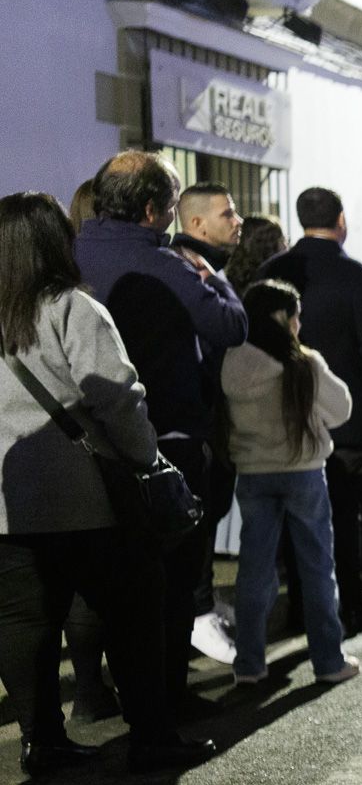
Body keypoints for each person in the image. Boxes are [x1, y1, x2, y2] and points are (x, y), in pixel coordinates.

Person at [0, 191, 213, 774]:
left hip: (6, 502)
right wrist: (148, 461)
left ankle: (42, 739)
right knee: (133, 609)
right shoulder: (72, 307)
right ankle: (151, 735)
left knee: (23, 622)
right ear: (56, 242)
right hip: (84, 493)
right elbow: (117, 397)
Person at [75, 150, 247, 715]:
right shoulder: (168, 265)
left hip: (81, 444)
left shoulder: (68, 257)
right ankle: (164, 701)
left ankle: (110, 696)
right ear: (153, 211)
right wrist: (211, 275)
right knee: (170, 582)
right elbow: (229, 327)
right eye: (172, 208)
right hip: (164, 440)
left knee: (109, 583)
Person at [259, 187, 362, 636]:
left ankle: (303, 607)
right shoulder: (352, 274)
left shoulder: (271, 272)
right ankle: (351, 605)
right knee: (344, 517)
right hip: (348, 420)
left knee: (298, 519)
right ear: (341, 219)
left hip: (286, 416)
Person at [220, 280, 361, 688]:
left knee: (254, 570)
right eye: (295, 314)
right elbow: (343, 409)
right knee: (317, 567)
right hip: (303, 473)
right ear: (283, 316)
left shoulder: (232, 362)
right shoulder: (304, 364)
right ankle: (328, 661)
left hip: (253, 474)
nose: (299, 323)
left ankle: (248, 663)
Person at [172, 181, 247, 666]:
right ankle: (196, 616)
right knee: (194, 527)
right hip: (196, 421)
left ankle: (200, 609)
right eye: (228, 214)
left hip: (212, 419)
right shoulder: (191, 270)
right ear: (196, 223)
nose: (237, 221)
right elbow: (229, 327)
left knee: (208, 516)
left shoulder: (206, 267)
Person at [171, 182, 243, 280]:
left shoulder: (221, 261)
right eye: (227, 214)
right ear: (198, 223)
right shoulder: (181, 268)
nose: (238, 221)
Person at [223, 215, 287, 292]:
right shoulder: (274, 287)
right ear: (268, 246)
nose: (286, 246)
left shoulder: (226, 284)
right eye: (283, 240)